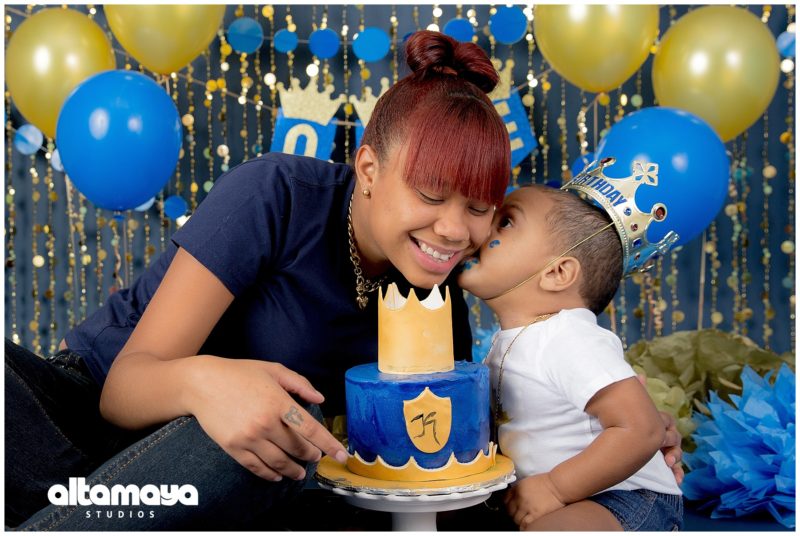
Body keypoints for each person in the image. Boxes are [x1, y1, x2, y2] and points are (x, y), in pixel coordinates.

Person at [5, 31, 681, 530]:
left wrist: (619, 443)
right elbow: (123, 389)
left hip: (219, 480)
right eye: (430, 195)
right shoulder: (275, 194)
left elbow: (440, 453)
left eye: (481, 209)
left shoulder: (437, 291)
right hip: (77, 419)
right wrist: (209, 382)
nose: (454, 230)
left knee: (274, 445)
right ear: (368, 169)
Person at [458, 184, 684, 531]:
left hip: (624, 495)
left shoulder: (569, 336)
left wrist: (554, 488)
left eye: (506, 222)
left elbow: (643, 429)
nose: (484, 226)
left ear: (557, 273)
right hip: (556, 497)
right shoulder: (512, 342)